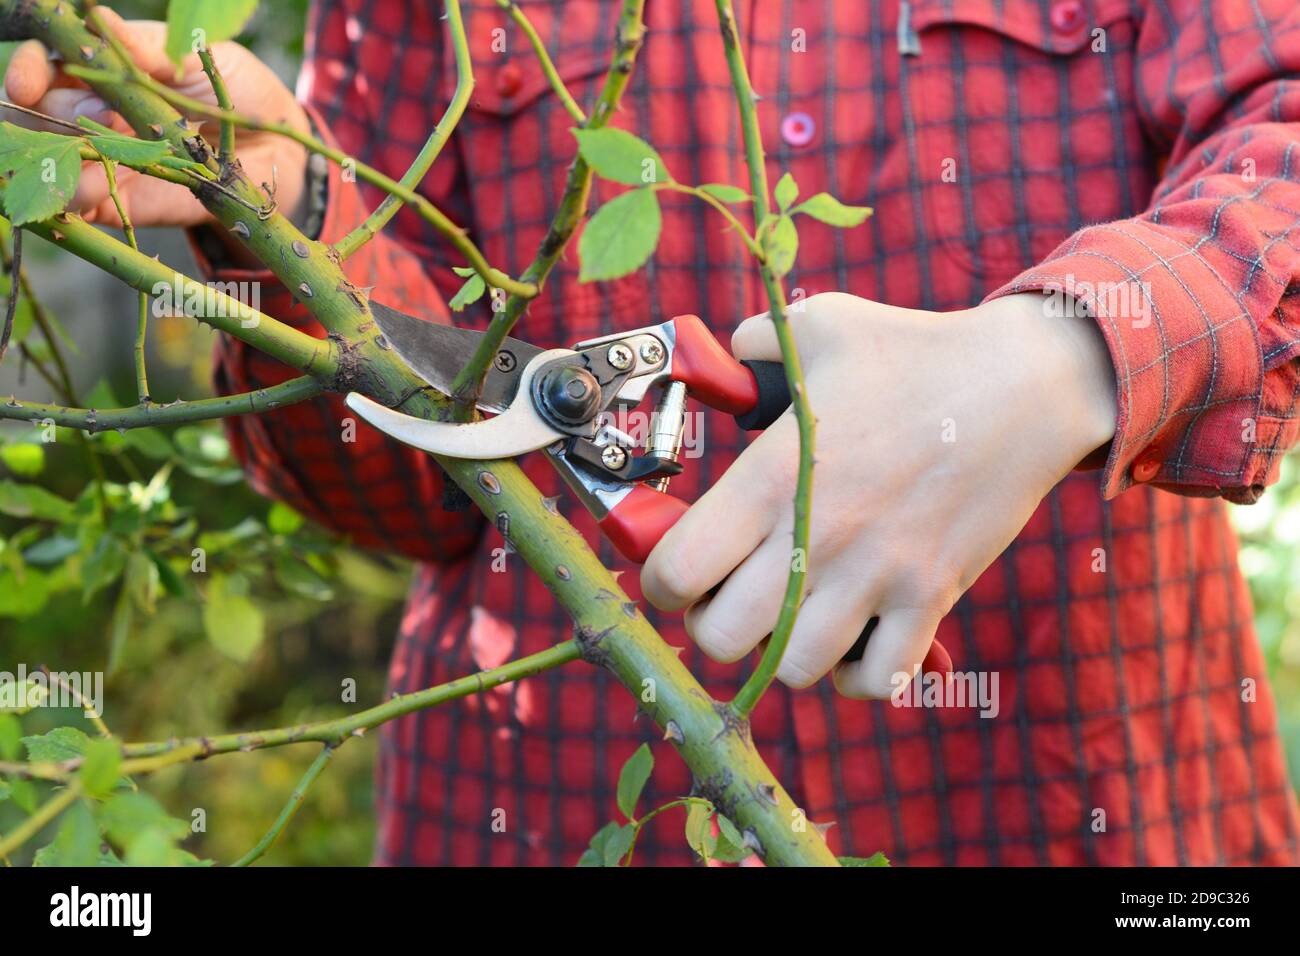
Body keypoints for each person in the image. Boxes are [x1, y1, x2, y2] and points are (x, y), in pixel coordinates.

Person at [5, 0, 1298, 866]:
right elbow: (407, 492)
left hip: (1097, 802)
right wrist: (283, 195)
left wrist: (1060, 353)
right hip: (536, 804)